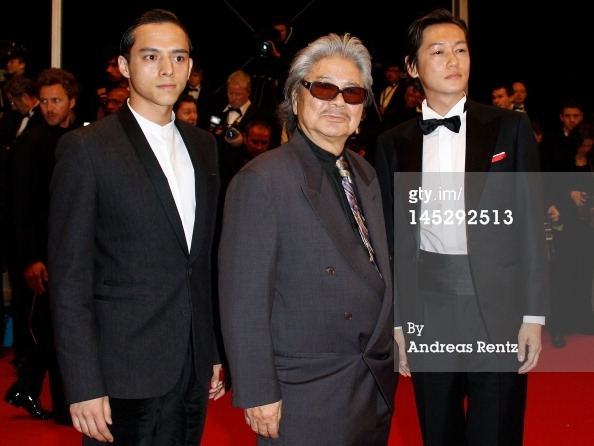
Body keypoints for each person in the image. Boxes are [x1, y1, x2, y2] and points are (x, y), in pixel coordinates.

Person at [48, 9, 225, 444]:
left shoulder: (205, 147)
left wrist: (213, 351)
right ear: (124, 66)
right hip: (120, 371)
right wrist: (83, 383)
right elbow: (69, 278)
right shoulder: (86, 149)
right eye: (151, 56)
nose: (168, 69)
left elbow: (201, 264)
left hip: (191, 366)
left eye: (179, 57)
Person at [375, 8, 549, 446]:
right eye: (438, 52)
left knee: (497, 429)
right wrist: (398, 324)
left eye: (460, 50)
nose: (453, 61)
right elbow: (391, 239)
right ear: (413, 67)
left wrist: (533, 314)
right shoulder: (392, 143)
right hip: (429, 308)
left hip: (499, 307)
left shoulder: (510, 128)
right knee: (438, 427)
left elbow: (530, 223)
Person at [219, 32, 397, 445]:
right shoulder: (262, 179)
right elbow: (243, 298)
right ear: (296, 99)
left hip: (371, 382)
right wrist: (258, 390)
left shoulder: (365, 174)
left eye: (352, 93)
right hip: (305, 391)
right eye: (323, 88)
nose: (338, 102)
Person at [4, 67, 84, 425]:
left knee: (60, 326)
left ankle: (28, 387)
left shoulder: (79, 137)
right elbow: (19, 205)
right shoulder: (32, 141)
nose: (50, 107)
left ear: (71, 101)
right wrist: (31, 258)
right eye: (45, 101)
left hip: (72, 249)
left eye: (57, 100)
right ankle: (59, 402)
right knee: (52, 328)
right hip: (43, 253)